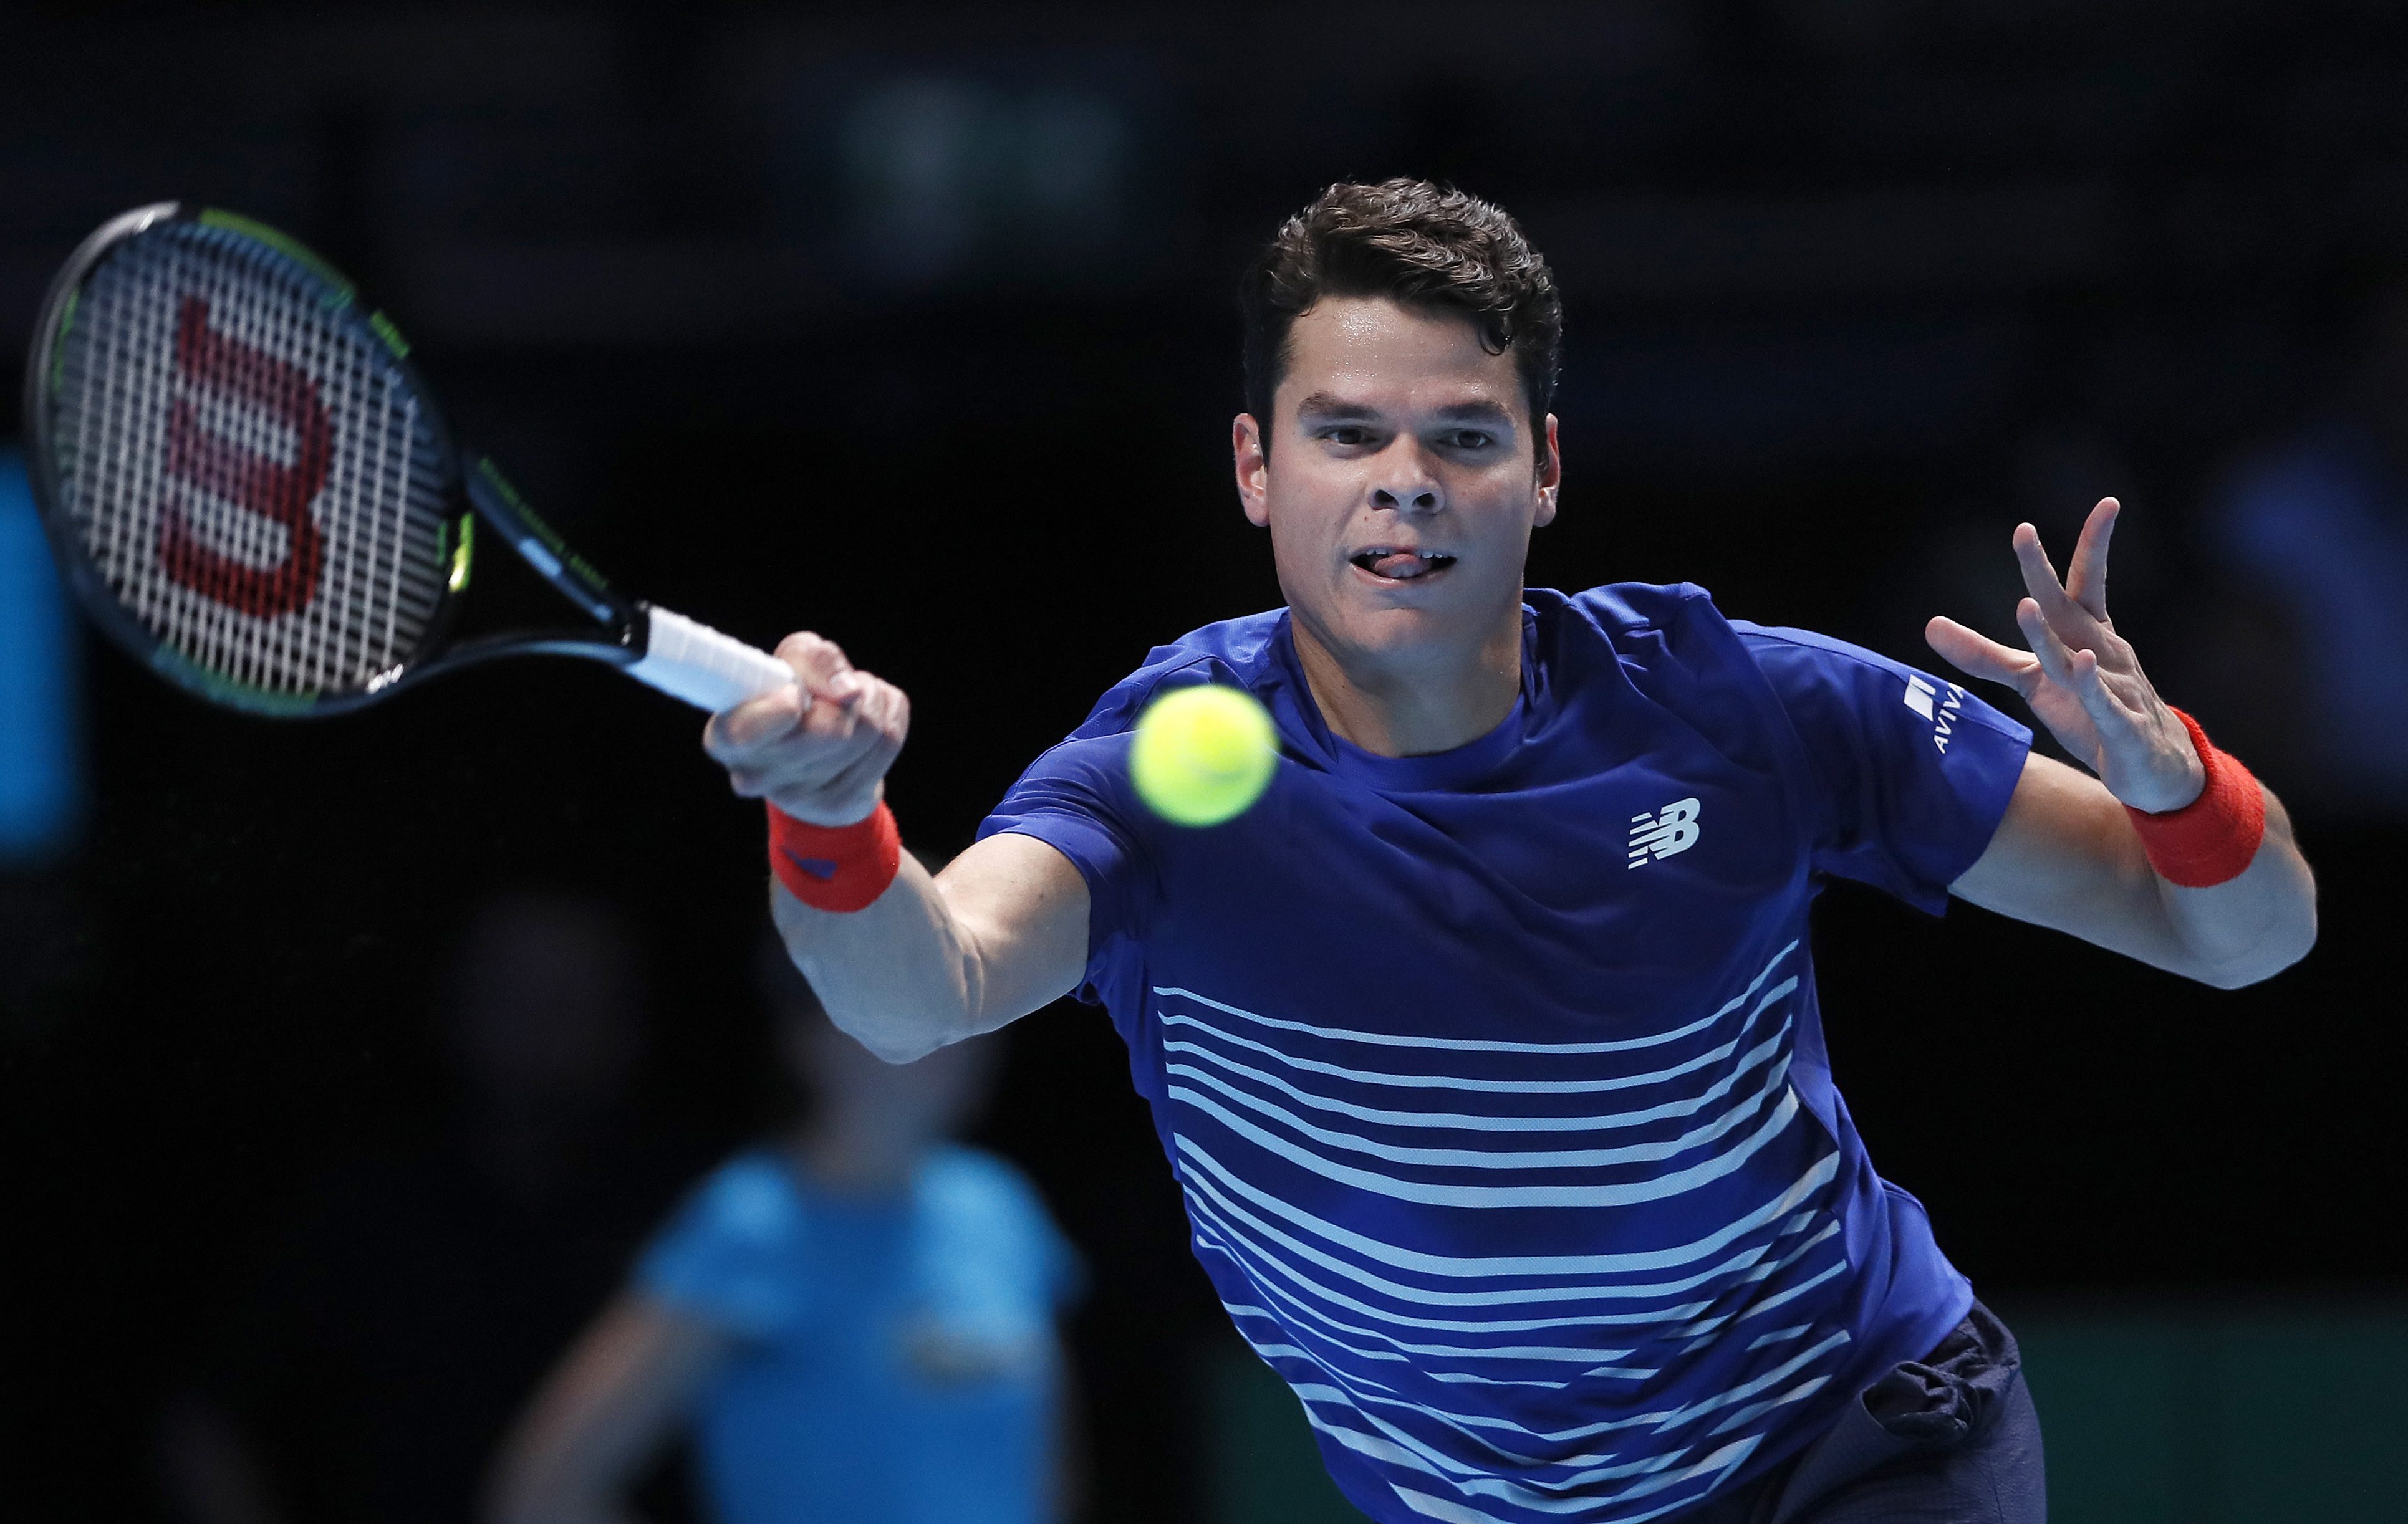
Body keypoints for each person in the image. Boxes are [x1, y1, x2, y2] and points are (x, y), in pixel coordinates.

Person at [700, 181, 2318, 1524]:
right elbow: (922, 991)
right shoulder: (1164, 775)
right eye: (1342, 432)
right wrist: (834, 819)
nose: (1402, 478)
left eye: (1460, 435)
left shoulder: (1741, 706)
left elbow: (2245, 938)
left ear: (1542, 467)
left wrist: (2175, 786)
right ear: (1257, 468)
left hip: (1850, 1442)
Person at [486, 927, 1082, 1524]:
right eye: (907, 991)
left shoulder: (1002, 1208)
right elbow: (545, 1489)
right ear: (808, 1034)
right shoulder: (752, 1221)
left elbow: (1045, 1469)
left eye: (969, 993)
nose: (950, 1028)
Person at [163, 891, 682, 1524]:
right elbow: (208, 1421)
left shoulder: (704, 1217)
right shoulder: (364, 1210)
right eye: (514, 992)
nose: (542, 1023)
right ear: (456, 1005)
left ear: (630, 1025)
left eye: (573, 998)